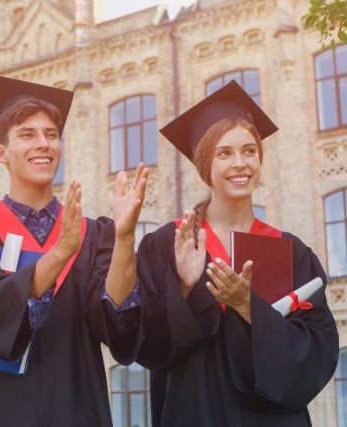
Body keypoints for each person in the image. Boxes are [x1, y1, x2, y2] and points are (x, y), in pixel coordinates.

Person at [0, 75, 147, 426]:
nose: (43, 143)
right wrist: (60, 253)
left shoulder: (94, 233)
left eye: (51, 134)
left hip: (73, 406)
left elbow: (113, 325)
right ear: (0, 153)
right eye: (27, 134)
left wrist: (125, 238)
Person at [136, 80, 339, 427]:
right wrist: (184, 289)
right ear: (204, 164)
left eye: (249, 150)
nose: (240, 163)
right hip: (195, 415)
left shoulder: (292, 252)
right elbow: (148, 346)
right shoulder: (170, 244)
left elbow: (317, 353)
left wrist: (247, 305)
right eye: (224, 153)